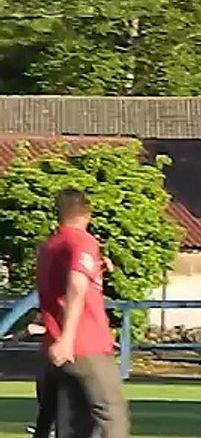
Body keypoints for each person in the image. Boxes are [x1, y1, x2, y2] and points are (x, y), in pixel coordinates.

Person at [36, 188, 129, 438]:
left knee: (72, 424)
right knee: (111, 416)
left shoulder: (49, 247)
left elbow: (56, 288)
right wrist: (68, 339)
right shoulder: (83, 241)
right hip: (84, 345)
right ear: (87, 212)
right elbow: (76, 286)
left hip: (52, 347)